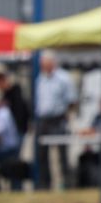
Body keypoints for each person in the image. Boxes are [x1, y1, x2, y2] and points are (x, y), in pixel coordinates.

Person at [32, 52, 77, 191]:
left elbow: (72, 100)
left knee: (62, 152)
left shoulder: (64, 78)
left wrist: (66, 115)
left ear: (52, 63)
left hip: (58, 119)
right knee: (41, 154)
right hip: (43, 120)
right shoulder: (40, 79)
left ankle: (67, 183)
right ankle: (44, 185)